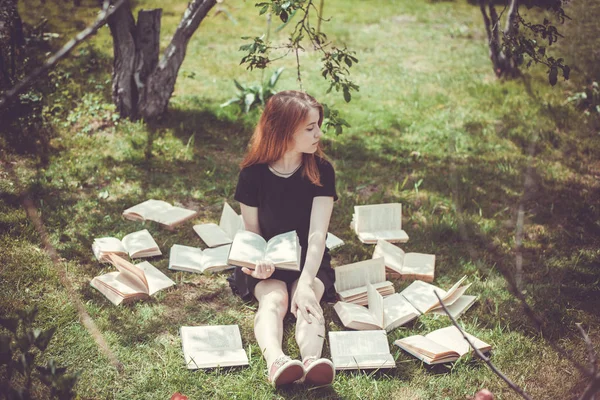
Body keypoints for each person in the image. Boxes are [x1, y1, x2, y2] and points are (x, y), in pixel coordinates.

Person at [228, 90, 338, 387]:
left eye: (318, 125)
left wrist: (304, 282)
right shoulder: (252, 174)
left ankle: (312, 361)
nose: (319, 133)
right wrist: (256, 265)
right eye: (310, 127)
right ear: (285, 130)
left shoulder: (322, 171)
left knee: (308, 300)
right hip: (267, 258)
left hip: (309, 259)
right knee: (274, 299)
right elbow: (252, 233)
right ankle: (276, 361)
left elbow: (318, 235)